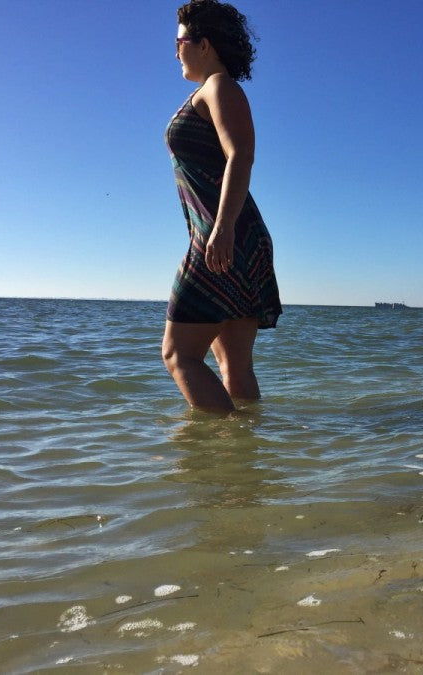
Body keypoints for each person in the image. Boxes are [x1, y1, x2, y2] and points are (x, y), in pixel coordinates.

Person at [162, 0, 282, 412]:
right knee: (232, 365)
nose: (175, 51)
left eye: (178, 41)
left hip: (223, 233)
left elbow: (240, 155)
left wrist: (222, 227)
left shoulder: (218, 87)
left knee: (178, 355)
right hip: (233, 234)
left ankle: (220, 458)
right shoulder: (212, 90)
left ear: (203, 44)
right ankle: (244, 458)